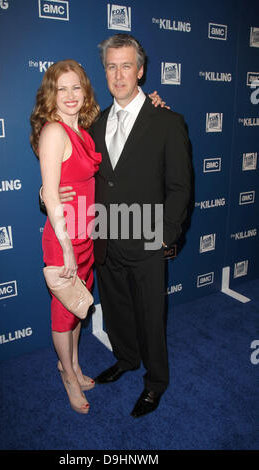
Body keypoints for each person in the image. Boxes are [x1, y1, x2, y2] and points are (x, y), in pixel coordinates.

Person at [61, 34, 191, 418]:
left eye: (127, 65)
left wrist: (165, 237)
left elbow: (180, 187)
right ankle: (126, 358)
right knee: (116, 310)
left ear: (141, 70)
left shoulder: (167, 121)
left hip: (148, 238)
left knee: (151, 316)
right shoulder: (95, 124)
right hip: (105, 237)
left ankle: (156, 383)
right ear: (105, 72)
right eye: (112, 66)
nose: (119, 75)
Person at [30, 60, 101, 414]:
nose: (70, 95)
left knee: (77, 307)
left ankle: (70, 363)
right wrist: (66, 249)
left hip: (85, 235)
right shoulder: (54, 132)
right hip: (64, 240)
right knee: (63, 312)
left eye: (77, 87)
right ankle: (69, 377)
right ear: (51, 94)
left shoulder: (84, 133)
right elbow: (54, 196)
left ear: (85, 91)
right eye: (62, 88)